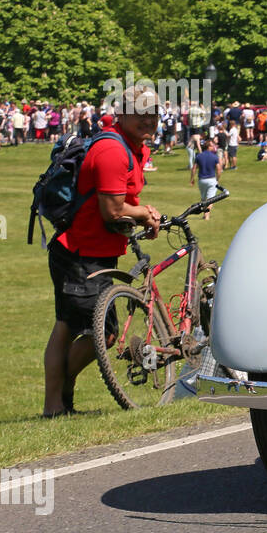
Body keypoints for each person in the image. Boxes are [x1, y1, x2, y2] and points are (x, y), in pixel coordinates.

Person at [43, 86, 161, 417]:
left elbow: (121, 202)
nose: (147, 119)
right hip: (81, 254)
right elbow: (112, 209)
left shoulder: (133, 148)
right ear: (121, 113)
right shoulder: (112, 150)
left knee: (66, 325)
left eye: (153, 113)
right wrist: (145, 213)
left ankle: (56, 404)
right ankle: (58, 395)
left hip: (93, 251)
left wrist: (140, 214)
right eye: (139, 112)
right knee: (103, 333)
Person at [190, 138, 221, 219]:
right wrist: (217, 179)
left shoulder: (199, 156)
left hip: (201, 180)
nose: (213, 147)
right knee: (211, 200)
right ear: (209, 147)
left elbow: (194, 168)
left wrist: (192, 179)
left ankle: (204, 214)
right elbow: (218, 169)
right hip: (211, 179)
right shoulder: (214, 156)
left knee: (203, 199)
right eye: (212, 145)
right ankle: (206, 215)